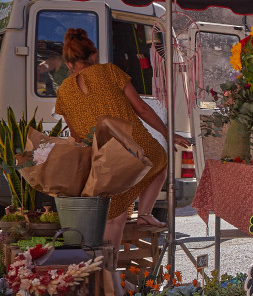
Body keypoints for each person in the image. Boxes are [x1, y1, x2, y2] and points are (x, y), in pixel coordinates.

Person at [55, 28, 190, 253]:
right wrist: (168, 133)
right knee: (161, 158)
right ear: (94, 56)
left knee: (111, 215)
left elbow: (76, 136)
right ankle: (143, 217)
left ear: (68, 64)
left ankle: (106, 277)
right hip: (135, 151)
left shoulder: (63, 91)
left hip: (100, 159)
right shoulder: (110, 71)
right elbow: (143, 110)